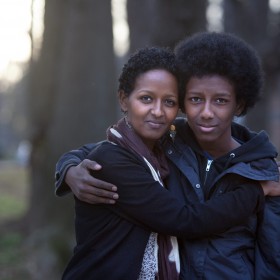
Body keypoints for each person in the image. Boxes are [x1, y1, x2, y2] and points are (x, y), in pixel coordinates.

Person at [56, 33, 280, 279]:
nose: (206, 113)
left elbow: (272, 256)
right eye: (196, 99)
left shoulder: (261, 170)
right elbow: (185, 220)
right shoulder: (168, 143)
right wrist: (69, 169)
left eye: (220, 101)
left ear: (238, 105)